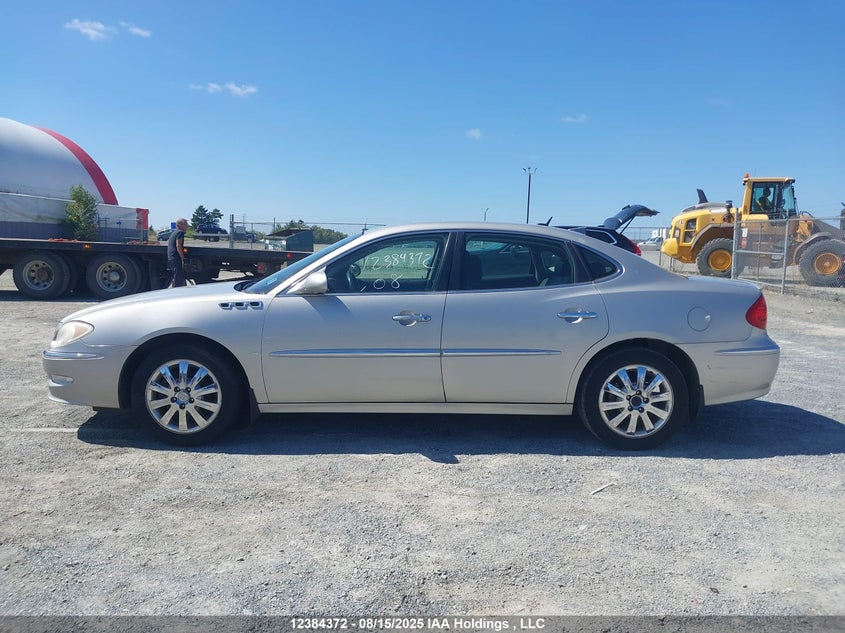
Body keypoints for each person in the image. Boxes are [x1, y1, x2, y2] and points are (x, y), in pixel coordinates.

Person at [167, 218, 188, 287]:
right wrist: (183, 258)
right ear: (180, 225)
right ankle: (176, 291)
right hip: (176, 257)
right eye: (185, 224)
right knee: (178, 276)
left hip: (171, 257)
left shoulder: (174, 233)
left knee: (177, 275)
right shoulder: (180, 232)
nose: (187, 226)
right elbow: (178, 245)